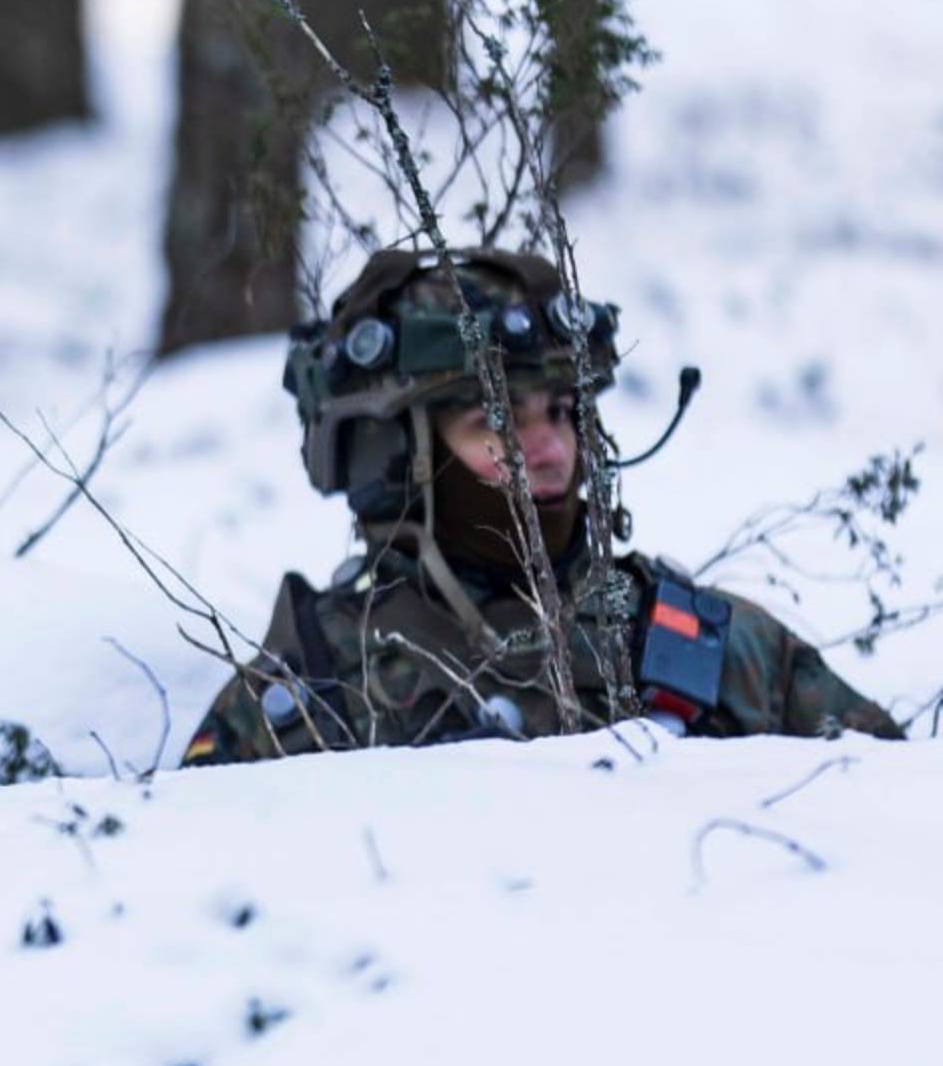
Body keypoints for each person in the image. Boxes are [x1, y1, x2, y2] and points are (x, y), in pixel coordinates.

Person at [180, 248, 902, 766]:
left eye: (561, 412)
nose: (550, 450)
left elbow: (885, 820)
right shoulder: (309, 696)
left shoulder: (709, 650)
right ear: (394, 460)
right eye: (498, 422)